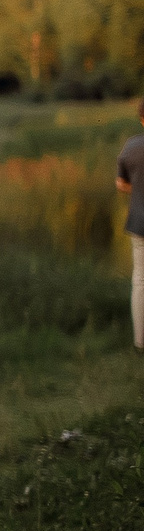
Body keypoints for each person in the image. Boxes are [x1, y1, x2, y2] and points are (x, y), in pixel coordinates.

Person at [119, 99, 144, 351]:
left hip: (138, 221)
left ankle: (140, 342)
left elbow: (121, 184)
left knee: (139, 281)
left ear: (141, 117)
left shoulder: (131, 146)